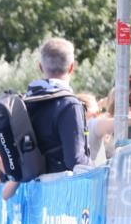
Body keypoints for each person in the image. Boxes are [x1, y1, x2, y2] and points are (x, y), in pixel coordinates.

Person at [24, 37, 90, 174]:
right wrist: (98, 167)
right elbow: (75, 161)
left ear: (41, 67)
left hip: (33, 188)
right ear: (72, 67)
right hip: (63, 191)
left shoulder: (27, 102)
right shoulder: (69, 104)